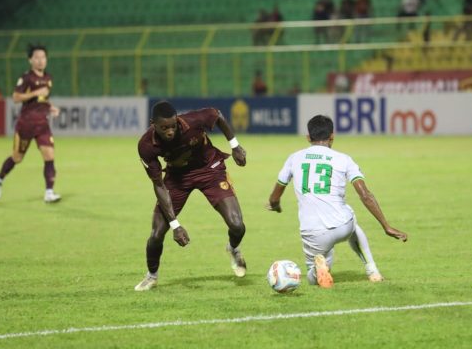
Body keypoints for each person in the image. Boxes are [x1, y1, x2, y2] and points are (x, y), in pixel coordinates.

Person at [266, 115, 408, 288]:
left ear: (308, 138)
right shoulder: (344, 159)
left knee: (313, 278)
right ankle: (372, 270)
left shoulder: (294, 158)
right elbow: (365, 195)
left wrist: (276, 206)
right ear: (332, 136)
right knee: (350, 216)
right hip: (342, 226)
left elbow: (274, 198)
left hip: (312, 233)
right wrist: (386, 226)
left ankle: (318, 268)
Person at [134, 101, 248, 291]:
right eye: (164, 128)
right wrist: (175, 225)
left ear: (177, 119)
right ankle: (151, 276)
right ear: (153, 123)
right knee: (156, 234)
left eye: (172, 126)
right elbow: (159, 185)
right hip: (176, 178)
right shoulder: (146, 145)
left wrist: (235, 146)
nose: (170, 131)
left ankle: (233, 248)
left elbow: (217, 114)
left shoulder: (193, 121)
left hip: (210, 169)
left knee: (237, 225)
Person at [0, 44, 61, 203]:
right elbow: (15, 97)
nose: (40, 60)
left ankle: (49, 192)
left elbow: (42, 100)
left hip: (42, 124)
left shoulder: (48, 78)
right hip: (26, 124)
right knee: (17, 158)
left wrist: (50, 107)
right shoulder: (26, 78)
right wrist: (36, 92)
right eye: (36, 58)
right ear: (30, 60)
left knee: (49, 156)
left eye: (43, 57)